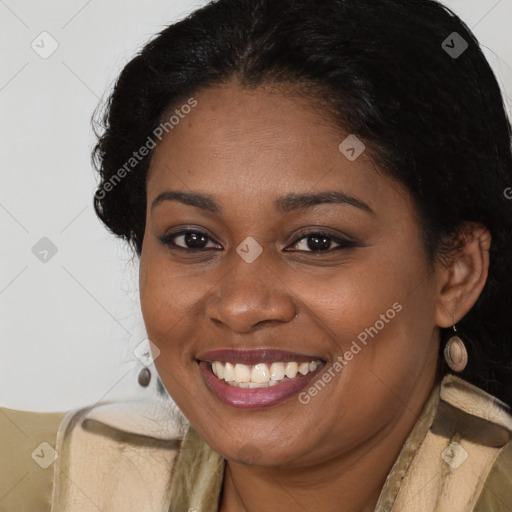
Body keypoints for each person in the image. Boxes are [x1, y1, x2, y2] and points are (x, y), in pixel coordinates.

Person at [2, 0, 512, 510]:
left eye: (316, 242)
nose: (241, 305)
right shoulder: (46, 487)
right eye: (193, 239)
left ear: (456, 274)